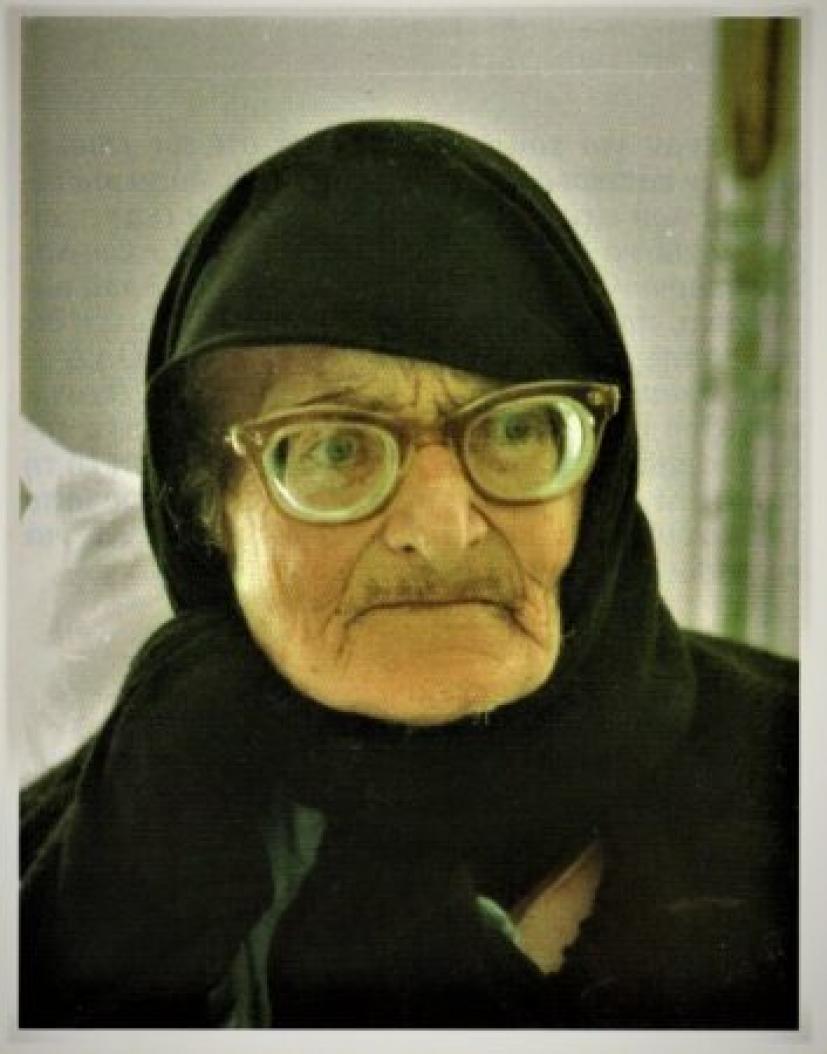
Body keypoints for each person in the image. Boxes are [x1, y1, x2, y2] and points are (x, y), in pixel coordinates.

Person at [19, 120, 797, 1028]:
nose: (442, 530)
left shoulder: (794, 774)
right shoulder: (77, 884)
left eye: (516, 429)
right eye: (335, 446)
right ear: (204, 513)